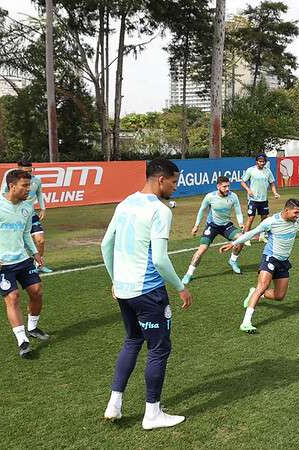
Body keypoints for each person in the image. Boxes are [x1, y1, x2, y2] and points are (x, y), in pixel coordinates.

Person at [100, 158, 193, 430]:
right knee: (159, 348)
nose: (176, 187)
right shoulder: (160, 211)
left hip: (125, 290)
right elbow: (161, 261)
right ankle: (152, 413)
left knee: (132, 340)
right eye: (174, 182)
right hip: (148, 291)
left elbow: (106, 245)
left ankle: (114, 403)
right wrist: (181, 287)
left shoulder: (125, 203)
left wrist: (115, 280)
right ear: (161, 179)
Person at [0, 169, 49, 359]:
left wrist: (34, 253)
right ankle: (23, 341)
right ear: (12, 186)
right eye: (24, 186)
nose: (28, 191)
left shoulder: (26, 208)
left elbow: (25, 233)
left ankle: (32, 327)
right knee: (13, 297)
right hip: (1, 264)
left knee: (37, 291)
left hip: (23, 260)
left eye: (29, 186)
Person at [220, 199, 299, 334]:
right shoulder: (271, 222)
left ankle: (254, 293)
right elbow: (252, 233)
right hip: (270, 258)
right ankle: (246, 322)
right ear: (286, 210)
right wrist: (233, 243)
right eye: (296, 212)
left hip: (283, 261)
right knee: (262, 286)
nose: (298, 216)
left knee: (279, 296)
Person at [181, 176, 245, 284]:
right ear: (218, 186)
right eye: (224, 186)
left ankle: (233, 260)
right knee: (201, 250)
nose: (227, 189)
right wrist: (196, 225)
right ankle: (189, 273)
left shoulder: (233, 196)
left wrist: (241, 223)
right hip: (212, 226)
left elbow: (238, 211)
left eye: (228, 186)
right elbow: (201, 210)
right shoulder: (210, 197)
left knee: (241, 239)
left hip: (226, 226)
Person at [0, 160, 52, 273]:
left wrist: (43, 208)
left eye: (31, 170)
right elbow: (1, 193)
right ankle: (19, 267)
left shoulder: (36, 180)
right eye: (26, 170)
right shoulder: (11, 178)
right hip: (15, 215)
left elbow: (39, 193)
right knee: (19, 242)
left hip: (30, 214)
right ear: (18, 168)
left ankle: (39, 264)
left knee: (40, 240)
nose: (29, 173)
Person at [240, 154, 280, 245]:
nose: (261, 163)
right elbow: (243, 182)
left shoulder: (268, 171)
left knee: (264, 218)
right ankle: (246, 238)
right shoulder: (251, 170)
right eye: (260, 161)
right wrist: (248, 190)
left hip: (264, 199)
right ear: (256, 161)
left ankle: (262, 236)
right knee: (251, 218)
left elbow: (272, 183)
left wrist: (275, 193)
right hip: (253, 199)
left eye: (263, 161)